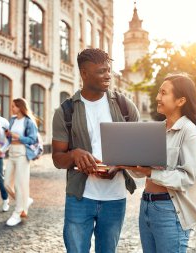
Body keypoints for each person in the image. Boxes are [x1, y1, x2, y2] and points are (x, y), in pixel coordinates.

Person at [51, 48, 140, 253]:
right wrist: (74, 155)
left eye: (108, 70)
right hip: (80, 197)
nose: (108, 75)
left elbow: (137, 153)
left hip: (115, 198)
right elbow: (57, 158)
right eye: (101, 71)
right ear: (84, 73)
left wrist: (119, 165)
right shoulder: (65, 111)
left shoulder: (125, 106)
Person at [116, 73, 196, 252]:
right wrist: (126, 162)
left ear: (181, 101)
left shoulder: (190, 133)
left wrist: (151, 172)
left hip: (170, 211)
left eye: (163, 93)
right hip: (147, 207)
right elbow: (144, 171)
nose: (158, 97)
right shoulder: (157, 130)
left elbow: (186, 178)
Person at [4, 98, 37, 226]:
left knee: (19, 184)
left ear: (20, 107)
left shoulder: (28, 122)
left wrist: (19, 137)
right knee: (7, 183)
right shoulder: (12, 120)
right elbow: (8, 139)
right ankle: (25, 200)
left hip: (22, 154)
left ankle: (17, 213)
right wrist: (3, 148)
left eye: (14, 106)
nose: (12, 108)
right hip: (11, 152)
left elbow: (32, 139)